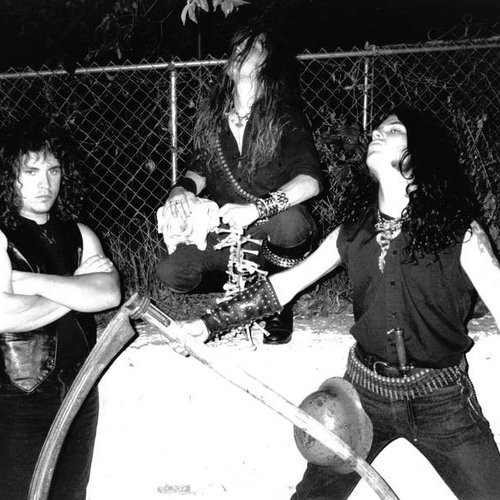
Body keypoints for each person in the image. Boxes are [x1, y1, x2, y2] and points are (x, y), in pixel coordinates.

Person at [170, 107, 500, 499]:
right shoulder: (352, 231)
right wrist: (207, 323)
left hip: (442, 400)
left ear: (420, 151)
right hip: (362, 397)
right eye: (376, 129)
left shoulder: (462, 233)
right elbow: (284, 286)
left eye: (393, 130)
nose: (377, 133)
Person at [156, 23, 323, 345]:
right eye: (236, 48)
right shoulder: (214, 118)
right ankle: (248, 286)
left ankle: (277, 303)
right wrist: (180, 191)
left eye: (251, 48)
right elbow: (199, 170)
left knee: (291, 221)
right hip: (229, 235)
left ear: (268, 62)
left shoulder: (285, 117)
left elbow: (311, 181)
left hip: (272, 229)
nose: (239, 52)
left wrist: (257, 209)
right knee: (171, 272)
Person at [0, 118, 121, 500]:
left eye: (53, 170)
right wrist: (76, 286)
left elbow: (109, 294)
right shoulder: (1, 235)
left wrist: (30, 282)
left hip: (81, 388)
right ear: (9, 177)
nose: (45, 183)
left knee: (71, 494)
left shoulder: (79, 233)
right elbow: (4, 315)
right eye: (31, 171)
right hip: (19, 395)